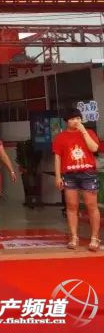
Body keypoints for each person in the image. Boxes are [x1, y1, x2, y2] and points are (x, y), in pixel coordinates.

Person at [52, 108, 101, 251]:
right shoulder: (60, 137)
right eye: (73, 119)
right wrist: (58, 176)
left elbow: (94, 148)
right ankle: (74, 237)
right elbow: (57, 157)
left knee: (91, 205)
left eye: (78, 118)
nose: (76, 121)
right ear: (67, 121)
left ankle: (95, 237)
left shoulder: (89, 132)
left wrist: (84, 131)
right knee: (72, 206)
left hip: (88, 173)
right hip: (69, 175)